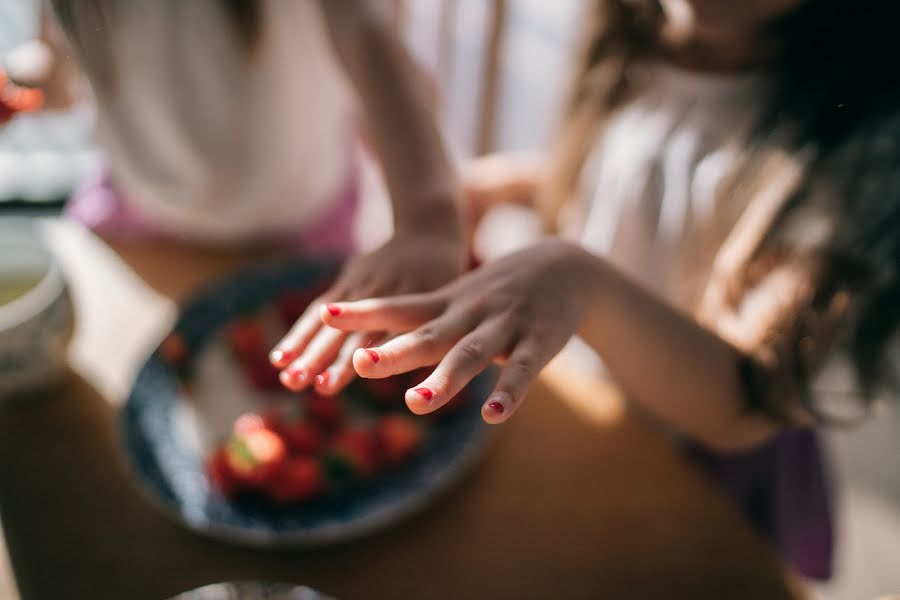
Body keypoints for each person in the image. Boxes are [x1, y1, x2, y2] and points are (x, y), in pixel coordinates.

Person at [281, 0, 900, 581]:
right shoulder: (641, 35)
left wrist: (581, 279)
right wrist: (508, 187)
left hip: (699, 469)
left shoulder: (863, 147)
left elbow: (742, 404)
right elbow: (641, 175)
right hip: (588, 412)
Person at [3, 0, 466, 393]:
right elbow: (60, 76)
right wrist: (19, 85)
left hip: (301, 225)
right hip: (142, 215)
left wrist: (429, 217)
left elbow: (366, 34)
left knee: (312, 382)